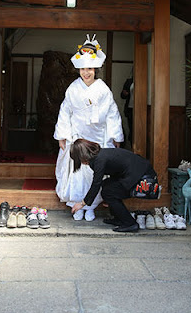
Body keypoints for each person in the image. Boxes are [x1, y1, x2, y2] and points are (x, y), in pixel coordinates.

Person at [54, 35, 124, 221]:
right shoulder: (73, 88)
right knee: (77, 170)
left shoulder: (103, 89)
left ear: (95, 69)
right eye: (84, 69)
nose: (87, 72)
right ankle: (77, 204)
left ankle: (91, 206)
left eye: (90, 69)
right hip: (77, 135)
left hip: (98, 137)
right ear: (79, 69)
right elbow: (65, 111)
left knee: (95, 171)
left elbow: (112, 113)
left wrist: (116, 136)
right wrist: (62, 135)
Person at [69, 138, 157, 233]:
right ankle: (119, 218)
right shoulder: (100, 155)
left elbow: (96, 184)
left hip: (141, 176)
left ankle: (130, 223)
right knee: (107, 186)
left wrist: (82, 203)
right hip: (135, 173)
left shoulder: (99, 160)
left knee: (109, 193)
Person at [120, 74, 134, 147]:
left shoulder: (145, 80)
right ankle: (132, 146)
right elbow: (122, 95)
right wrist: (125, 93)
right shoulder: (129, 81)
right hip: (130, 108)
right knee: (131, 129)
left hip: (140, 109)